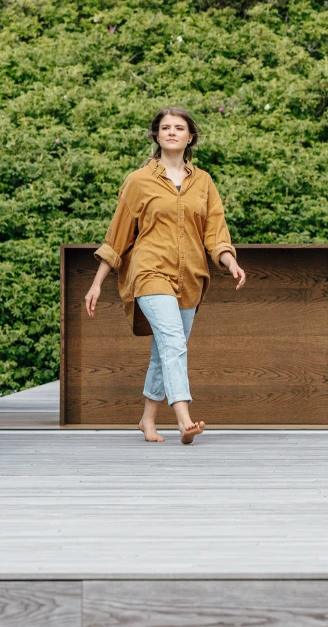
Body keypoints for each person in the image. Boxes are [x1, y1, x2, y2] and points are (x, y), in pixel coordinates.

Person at [84, 107, 246, 443]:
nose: (172, 132)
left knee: (166, 349)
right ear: (157, 136)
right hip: (149, 271)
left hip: (190, 277)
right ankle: (184, 418)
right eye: (165, 127)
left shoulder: (203, 182)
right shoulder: (138, 181)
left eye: (179, 128)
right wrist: (97, 283)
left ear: (190, 137)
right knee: (173, 341)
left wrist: (230, 262)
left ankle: (147, 419)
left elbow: (215, 232)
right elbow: (117, 237)